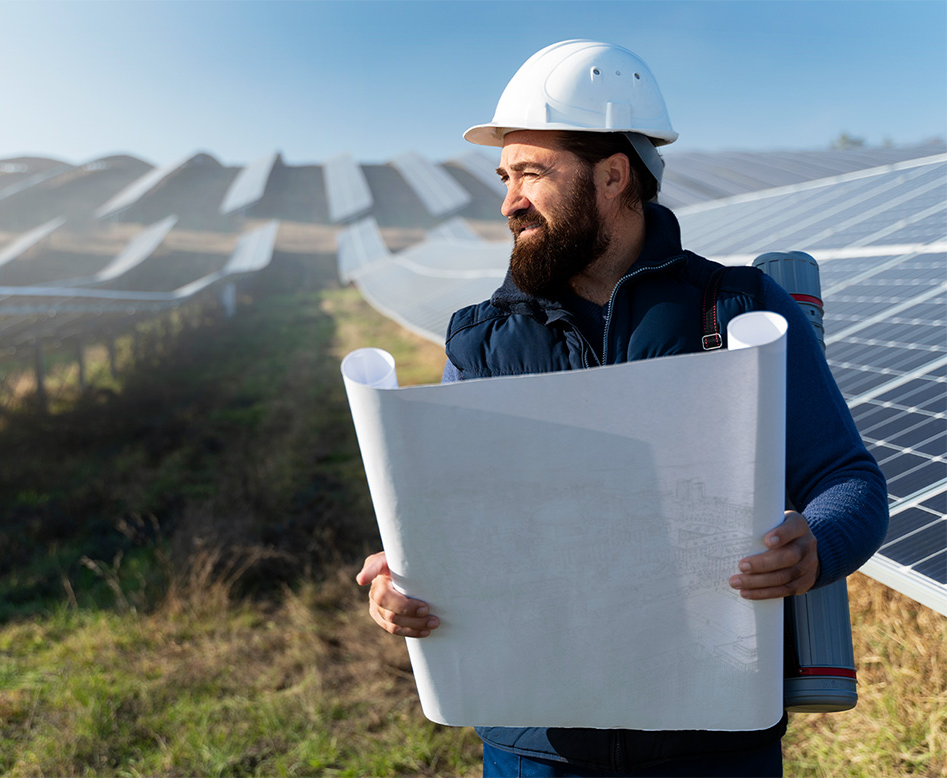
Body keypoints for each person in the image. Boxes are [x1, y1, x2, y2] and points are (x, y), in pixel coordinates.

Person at [356, 40, 888, 777]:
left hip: (710, 739)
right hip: (536, 745)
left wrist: (816, 546)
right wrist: (399, 580)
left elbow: (850, 480)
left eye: (532, 174)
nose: (509, 200)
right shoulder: (480, 341)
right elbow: (443, 514)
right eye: (506, 176)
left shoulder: (739, 311)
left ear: (613, 176)